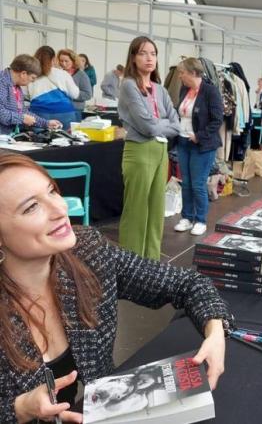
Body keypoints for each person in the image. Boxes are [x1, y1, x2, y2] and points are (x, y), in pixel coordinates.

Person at [0, 152, 231, 423]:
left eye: (52, 191)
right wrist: (20, 408)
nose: (60, 209)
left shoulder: (88, 253)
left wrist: (215, 331)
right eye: (31, 207)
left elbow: (187, 283)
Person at [118, 36, 179, 260]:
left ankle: (152, 263)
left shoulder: (160, 89)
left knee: (156, 210)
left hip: (160, 152)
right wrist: (161, 125)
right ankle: (131, 263)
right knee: (136, 210)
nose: (149, 58)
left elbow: (176, 124)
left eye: (153, 53)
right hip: (139, 150)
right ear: (133, 58)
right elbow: (147, 126)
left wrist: (158, 125)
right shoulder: (128, 85)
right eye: (143, 53)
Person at [173, 57, 224, 237]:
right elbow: (179, 112)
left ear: (193, 73)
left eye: (182, 73)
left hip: (202, 145)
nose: (180, 76)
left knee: (198, 184)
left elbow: (217, 120)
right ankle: (186, 217)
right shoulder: (184, 89)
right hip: (183, 142)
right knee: (185, 182)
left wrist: (199, 136)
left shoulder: (211, 92)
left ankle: (200, 220)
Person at [0, 54, 61, 135]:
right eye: (32, 78)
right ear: (23, 73)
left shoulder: (16, 87)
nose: (32, 82)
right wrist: (21, 119)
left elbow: (23, 111)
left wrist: (46, 123)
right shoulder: (2, 82)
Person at [27, 46, 80, 130]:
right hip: (64, 113)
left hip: (39, 114)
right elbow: (75, 94)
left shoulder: (31, 74)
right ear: (53, 59)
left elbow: (25, 95)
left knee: (40, 140)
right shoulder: (62, 74)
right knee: (67, 140)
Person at [58, 49, 93, 122]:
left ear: (73, 61)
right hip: (61, 110)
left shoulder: (82, 75)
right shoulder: (59, 74)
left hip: (75, 110)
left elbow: (88, 94)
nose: (63, 63)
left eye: (66, 61)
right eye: (61, 61)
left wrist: (71, 94)